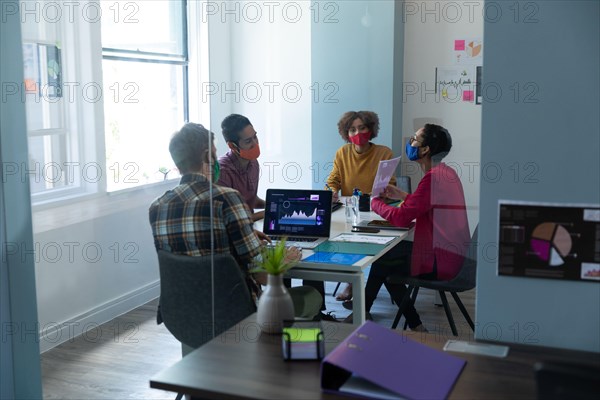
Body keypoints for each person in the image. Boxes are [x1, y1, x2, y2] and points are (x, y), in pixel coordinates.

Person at [149, 123, 320, 317]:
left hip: (180, 314)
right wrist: (286, 259)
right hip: (232, 312)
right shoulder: (227, 198)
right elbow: (263, 276)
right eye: (214, 153)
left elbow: (192, 252)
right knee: (310, 295)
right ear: (207, 156)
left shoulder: (157, 206)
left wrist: (239, 232)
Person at [344, 124, 470, 330]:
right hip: (453, 255)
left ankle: (376, 315)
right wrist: (401, 195)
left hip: (441, 262)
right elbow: (427, 204)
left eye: (414, 139)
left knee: (383, 262)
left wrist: (375, 201)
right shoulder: (446, 173)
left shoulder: (432, 178)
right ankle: (403, 321)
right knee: (386, 259)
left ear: (425, 149)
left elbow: (401, 218)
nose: (410, 142)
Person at [326, 111, 397, 301]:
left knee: (377, 247)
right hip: (350, 210)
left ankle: (378, 287)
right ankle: (352, 284)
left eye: (362, 128)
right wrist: (331, 190)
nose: (357, 133)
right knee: (346, 240)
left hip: (377, 209)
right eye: (352, 129)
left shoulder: (384, 152)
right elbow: (334, 179)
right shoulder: (342, 153)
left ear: (371, 129)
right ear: (346, 134)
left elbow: (391, 182)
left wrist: (384, 191)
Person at [217, 114, 265, 221]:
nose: (255, 144)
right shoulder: (222, 173)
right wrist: (264, 214)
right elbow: (228, 220)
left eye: (255, 137)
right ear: (232, 146)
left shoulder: (253, 163)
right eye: (248, 141)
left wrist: (273, 205)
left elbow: (250, 200)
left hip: (249, 228)